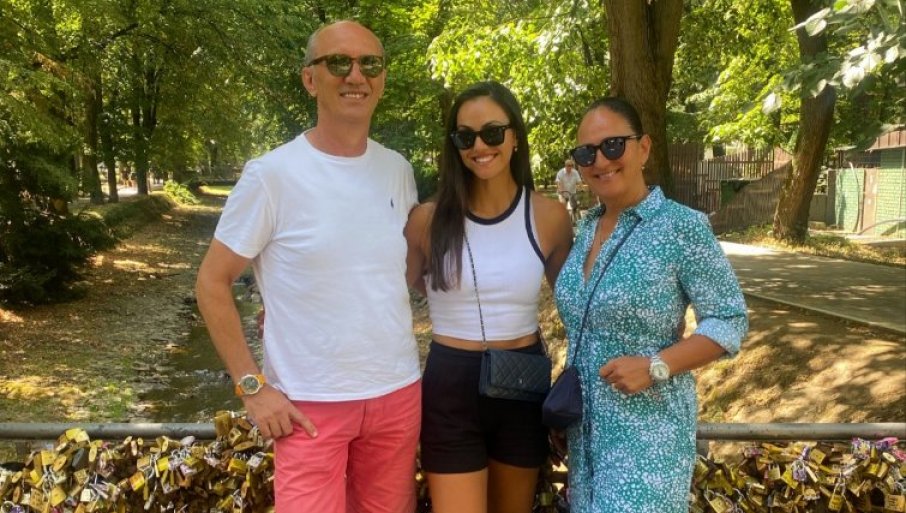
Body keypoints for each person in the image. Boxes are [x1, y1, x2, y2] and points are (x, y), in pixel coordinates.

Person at [195, 21, 421, 513]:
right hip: (307, 404)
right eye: (339, 62)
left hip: (397, 394)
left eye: (370, 63)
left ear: (382, 76)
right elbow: (212, 281)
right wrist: (252, 387)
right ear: (310, 79)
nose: (356, 75)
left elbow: (383, 272)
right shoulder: (271, 175)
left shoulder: (398, 170)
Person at [553, 97, 748, 513]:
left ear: (643, 148)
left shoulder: (681, 226)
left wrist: (656, 365)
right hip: (585, 441)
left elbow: (729, 319)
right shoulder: (586, 228)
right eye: (586, 153)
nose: (600, 161)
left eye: (613, 145)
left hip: (650, 440)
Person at [405, 81, 573, 513]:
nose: (479, 146)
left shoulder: (550, 217)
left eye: (492, 133)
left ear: (515, 136)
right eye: (466, 137)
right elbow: (389, 291)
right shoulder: (427, 220)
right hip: (450, 385)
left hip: (521, 383)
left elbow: (577, 308)